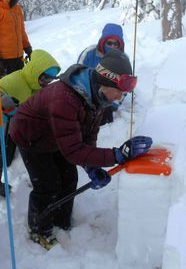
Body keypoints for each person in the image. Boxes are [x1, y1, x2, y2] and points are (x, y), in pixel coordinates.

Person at [9, 49, 153, 250]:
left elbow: (88, 136)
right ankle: (39, 229)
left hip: (56, 134)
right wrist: (117, 155)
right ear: (106, 82)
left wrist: (92, 166)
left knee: (69, 178)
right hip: (31, 135)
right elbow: (74, 150)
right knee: (47, 185)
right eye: (120, 91)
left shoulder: (96, 96)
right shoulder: (65, 99)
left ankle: (61, 221)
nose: (122, 96)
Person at [0, 49, 61, 168]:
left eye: (50, 80)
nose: (46, 83)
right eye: (44, 78)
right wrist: (0, 98)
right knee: (1, 161)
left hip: (10, 122)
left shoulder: (37, 87)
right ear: (35, 72)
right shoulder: (15, 81)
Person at [77, 23, 125, 124]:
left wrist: (113, 105)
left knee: (104, 123)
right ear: (103, 42)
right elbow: (77, 76)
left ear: (119, 45)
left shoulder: (122, 60)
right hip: (87, 96)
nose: (112, 46)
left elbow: (124, 87)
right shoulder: (89, 53)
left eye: (115, 44)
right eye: (109, 43)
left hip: (107, 98)